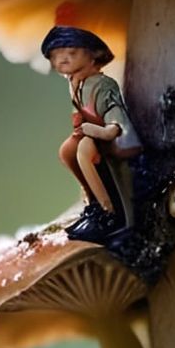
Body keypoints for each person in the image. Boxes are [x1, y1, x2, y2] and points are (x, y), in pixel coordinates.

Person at [41, 25, 140, 245]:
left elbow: (116, 119)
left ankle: (109, 213)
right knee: (67, 150)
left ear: (94, 54)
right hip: (93, 135)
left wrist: (98, 130)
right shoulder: (76, 84)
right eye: (56, 56)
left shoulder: (104, 85)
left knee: (84, 150)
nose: (62, 60)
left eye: (71, 53)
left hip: (115, 138)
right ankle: (93, 203)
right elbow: (81, 111)